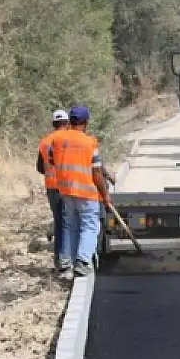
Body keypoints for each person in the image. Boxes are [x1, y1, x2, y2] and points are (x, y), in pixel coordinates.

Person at [52, 106, 111, 279]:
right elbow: (97, 172)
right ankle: (83, 261)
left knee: (72, 226)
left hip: (66, 190)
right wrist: (105, 195)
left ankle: (71, 262)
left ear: (70, 121)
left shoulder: (58, 140)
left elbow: (51, 161)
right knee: (90, 226)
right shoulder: (89, 142)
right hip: (86, 192)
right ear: (85, 122)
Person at [37, 109, 70, 269]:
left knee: (58, 223)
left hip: (51, 187)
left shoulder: (44, 142)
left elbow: (39, 167)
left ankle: (58, 260)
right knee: (67, 224)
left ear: (53, 124)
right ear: (67, 123)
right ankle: (66, 260)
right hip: (67, 187)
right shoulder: (68, 139)